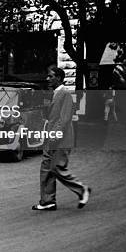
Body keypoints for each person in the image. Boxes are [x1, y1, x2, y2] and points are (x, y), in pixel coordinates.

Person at [32, 65, 91, 211]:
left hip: (60, 139)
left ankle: (82, 189)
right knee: (46, 168)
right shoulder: (55, 93)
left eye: (51, 76)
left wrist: (53, 136)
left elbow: (64, 120)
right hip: (51, 138)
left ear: (59, 78)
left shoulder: (65, 94)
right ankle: (47, 201)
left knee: (57, 167)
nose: (48, 79)